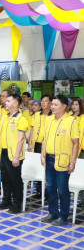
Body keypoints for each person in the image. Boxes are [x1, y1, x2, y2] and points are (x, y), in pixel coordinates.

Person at [41, 95, 79, 226]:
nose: (52, 107)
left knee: (62, 190)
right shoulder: (48, 120)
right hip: (49, 159)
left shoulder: (71, 121)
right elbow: (44, 139)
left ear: (64, 107)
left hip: (63, 161)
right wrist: (42, 154)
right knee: (50, 188)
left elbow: (75, 143)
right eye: (52, 104)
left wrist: (73, 161)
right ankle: (53, 213)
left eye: (56, 105)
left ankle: (63, 216)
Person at [0, 93, 28, 214]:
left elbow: (21, 139)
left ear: (16, 103)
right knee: (5, 178)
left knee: (15, 180)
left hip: (14, 154)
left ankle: (17, 204)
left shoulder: (21, 119)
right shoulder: (5, 117)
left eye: (8, 101)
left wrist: (16, 157)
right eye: (6, 101)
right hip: (3, 152)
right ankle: (6, 200)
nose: (6, 103)